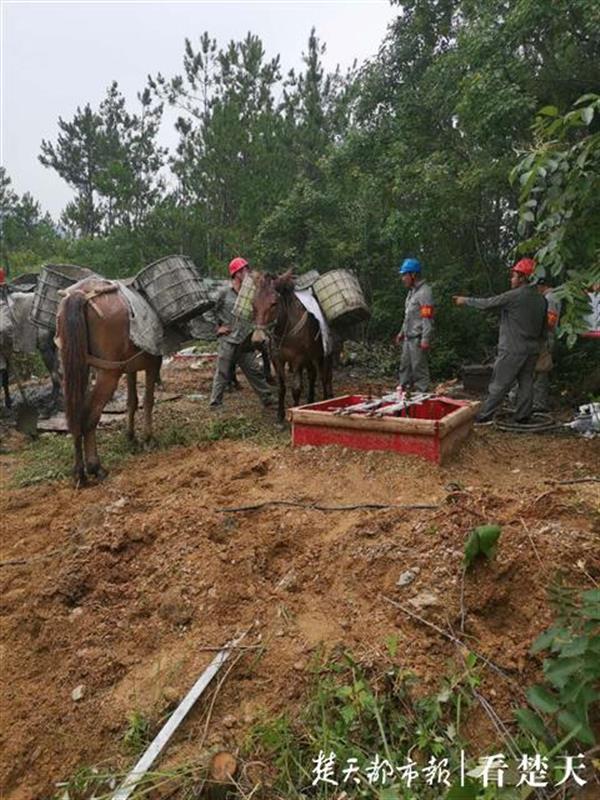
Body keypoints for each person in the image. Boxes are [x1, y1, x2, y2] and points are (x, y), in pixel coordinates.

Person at [453, 258, 547, 423]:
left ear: (523, 277)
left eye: (513, 276)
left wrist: (465, 300)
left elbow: (487, 304)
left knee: (499, 384)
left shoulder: (514, 296)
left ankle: (483, 416)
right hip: (532, 350)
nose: (511, 279)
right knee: (526, 383)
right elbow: (544, 329)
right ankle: (523, 416)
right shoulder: (541, 299)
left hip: (512, 350)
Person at [206, 257, 272, 409]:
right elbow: (209, 310)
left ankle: (267, 397)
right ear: (236, 274)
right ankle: (215, 403)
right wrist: (217, 328)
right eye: (244, 270)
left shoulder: (248, 294)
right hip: (228, 340)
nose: (247, 272)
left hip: (244, 339)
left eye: (247, 269)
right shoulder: (223, 293)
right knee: (222, 372)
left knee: (253, 370)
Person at [395, 258, 434, 392]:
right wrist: (401, 332)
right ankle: (403, 392)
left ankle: (422, 394)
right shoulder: (411, 293)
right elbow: (408, 316)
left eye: (404, 275)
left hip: (418, 338)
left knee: (419, 369)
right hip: (407, 337)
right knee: (404, 367)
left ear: (413, 275)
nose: (402, 278)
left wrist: (425, 339)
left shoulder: (424, 292)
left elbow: (427, 317)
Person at [532, 276, 561, 411]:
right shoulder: (554, 296)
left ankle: (539, 404)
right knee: (538, 370)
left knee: (541, 370)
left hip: (546, 338)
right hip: (546, 337)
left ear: (542, 286)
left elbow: (550, 320)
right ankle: (537, 401)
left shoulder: (550, 298)